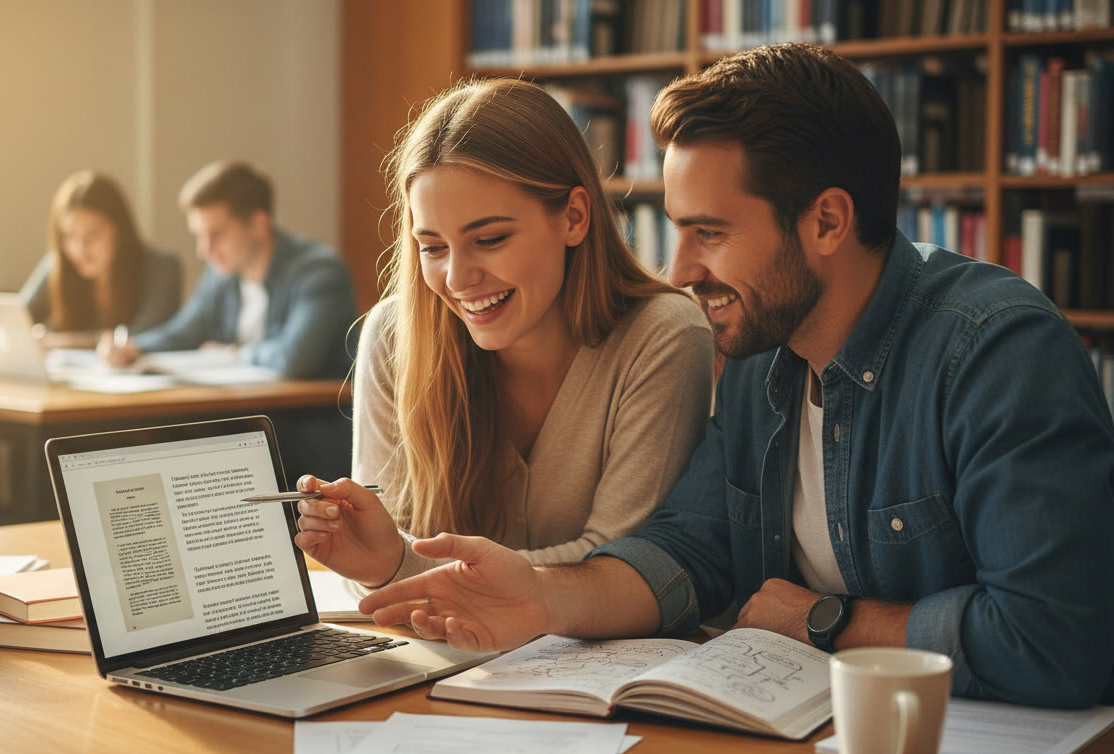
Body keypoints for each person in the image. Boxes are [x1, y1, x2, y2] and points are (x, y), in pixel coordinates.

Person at [353, 43, 1114, 708]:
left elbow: (1057, 641)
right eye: (678, 230)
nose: (680, 271)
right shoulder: (762, 363)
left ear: (826, 222)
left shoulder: (995, 353)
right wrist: (541, 596)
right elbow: (689, 549)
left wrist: (827, 622)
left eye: (709, 233)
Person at [291, 78, 714, 591]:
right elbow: (373, 559)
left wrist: (397, 566)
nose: (457, 279)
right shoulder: (392, 336)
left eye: (490, 239)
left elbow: (623, 567)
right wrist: (374, 558)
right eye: (433, 247)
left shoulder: (664, 337)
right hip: (443, 656)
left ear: (574, 218)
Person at [98, 160, 356, 380]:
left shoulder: (320, 273)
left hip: (312, 424)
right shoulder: (222, 272)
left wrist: (236, 354)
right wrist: (133, 347)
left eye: (217, 235)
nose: (204, 251)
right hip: (246, 416)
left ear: (257, 224)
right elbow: (185, 331)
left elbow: (295, 358)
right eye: (199, 236)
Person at [20, 171, 180, 348]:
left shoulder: (161, 268)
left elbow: (143, 336)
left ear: (120, 230)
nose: (80, 249)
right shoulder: (57, 266)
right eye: (69, 236)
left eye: (92, 234)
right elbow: (17, 320)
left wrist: (58, 342)